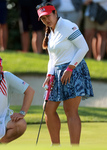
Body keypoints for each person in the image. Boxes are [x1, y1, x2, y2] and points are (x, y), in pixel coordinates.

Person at [36, 2, 94, 145]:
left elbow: (84, 48)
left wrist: (70, 68)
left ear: (55, 13)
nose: (47, 20)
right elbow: (52, 58)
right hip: (56, 73)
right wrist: (49, 74)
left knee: (70, 111)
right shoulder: (50, 31)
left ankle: (74, 147)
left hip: (73, 71)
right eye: (43, 19)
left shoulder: (68, 25)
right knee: (48, 109)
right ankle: (56, 145)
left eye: (48, 16)